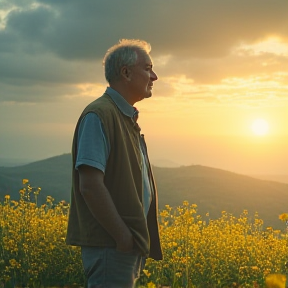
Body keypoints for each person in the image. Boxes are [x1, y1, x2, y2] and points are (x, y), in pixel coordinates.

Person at [66, 39, 163, 288]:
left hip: (121, 246)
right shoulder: (99, 115)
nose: (155, 76)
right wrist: (122, 237)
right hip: (111, 246)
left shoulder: (122, 116)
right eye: (148, 68)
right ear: (126, 72)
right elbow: (90, 185)